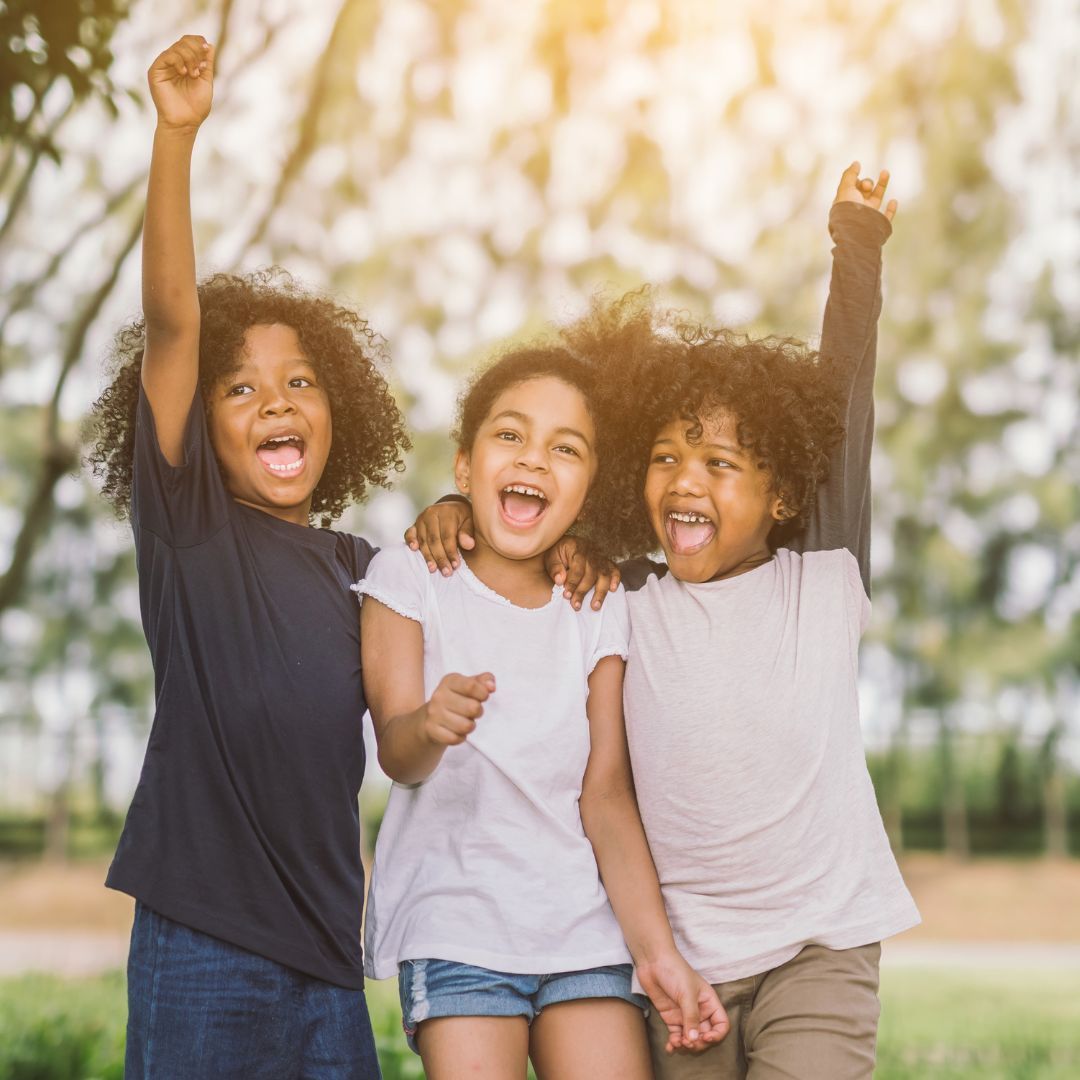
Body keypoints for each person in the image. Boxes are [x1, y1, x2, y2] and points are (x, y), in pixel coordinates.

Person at [409, 165, 921, 1078]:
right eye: (664, 457)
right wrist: (457, 505)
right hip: (678, 961)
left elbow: (845, 397)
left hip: (820, 943)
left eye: (722, 462)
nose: (686, 479)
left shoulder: (823, 572)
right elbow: (535, 507)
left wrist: (858, 240)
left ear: (783, 491)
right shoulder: (620, 595)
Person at [87, 36, 409, 1078]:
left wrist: (452, 524)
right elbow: (174, 322)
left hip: (327, 958)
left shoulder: (368, 568)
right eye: (241, 387)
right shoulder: (189, 532)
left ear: (339, 412)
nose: (275, 398)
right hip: (201, 947)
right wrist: (176, 139)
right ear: (203, 428)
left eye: (301, 381)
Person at [355, 345, 728, 1079]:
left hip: (584, 934)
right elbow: (397, 753)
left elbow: (607, 796)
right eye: (510, 436)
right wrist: (430, 724)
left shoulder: (596, 603)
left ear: (589, 488)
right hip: (458, 927)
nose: (533, 460)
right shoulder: (409, 576)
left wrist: (660, 958)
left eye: (565, 449)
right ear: (464, 467)